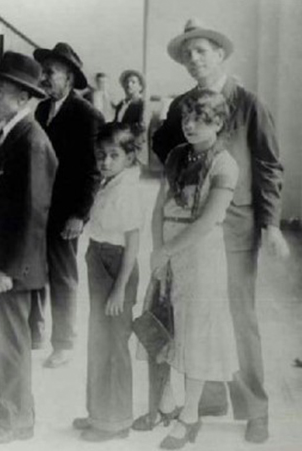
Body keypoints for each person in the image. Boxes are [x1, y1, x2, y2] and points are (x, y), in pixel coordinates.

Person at [137, 19, 288, 444]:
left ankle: (255, 409)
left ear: (221, 53)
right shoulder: (183, 105)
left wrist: (271, 223)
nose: (193, 59)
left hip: (233, 227)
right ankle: (207, 399)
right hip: (186, 231)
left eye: (201, 50)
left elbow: (269, 166)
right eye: (187, 54)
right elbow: (166, 151)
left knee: (237, 317)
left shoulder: (249, 103)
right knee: (188, 318)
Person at [0, 51, 57, 445]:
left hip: (12, 267)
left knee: (12, 344)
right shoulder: (11, 134)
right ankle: (11, 404)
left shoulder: (31, 143)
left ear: (24, 98)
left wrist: (9, 267)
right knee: (5, 342)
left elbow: (33, 214)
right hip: (2, 262)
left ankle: (17, 419)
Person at [151, 89, 239, 449]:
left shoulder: (225, 164)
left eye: (199, 119)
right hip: (169, 251)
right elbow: (159, 207)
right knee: (168, 325)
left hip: (201, 256)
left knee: (197, 333)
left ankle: (190, 415)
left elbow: (209, 220)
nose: (189, 125)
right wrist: (158, 250)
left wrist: (169, 249)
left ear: (218, 123)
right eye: (186, 118)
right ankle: (168, 398)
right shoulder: (175, 156)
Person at [32, 42, 104, 368]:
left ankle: (64, 343)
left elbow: (94, 171)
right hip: (37, 208)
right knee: (32, 267)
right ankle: (34, 331)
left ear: (69, 77)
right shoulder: (41, 110)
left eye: (50, 72)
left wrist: (80, 214)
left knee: (62, 275)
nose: (43, 78)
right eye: (43, 71)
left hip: (65, 211)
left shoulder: (88, 115)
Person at [72, 123, 142, 443]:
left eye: (114, 155)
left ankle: (115, 422)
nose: (106, 161)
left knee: (114, 345)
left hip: (117, 268)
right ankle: (98, 412)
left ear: (130, 156)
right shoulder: (109, 183)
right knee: (98, 340)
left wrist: (118, 289)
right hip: (99, 259)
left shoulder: (129, 188)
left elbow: (133, 246)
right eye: (102, 155)